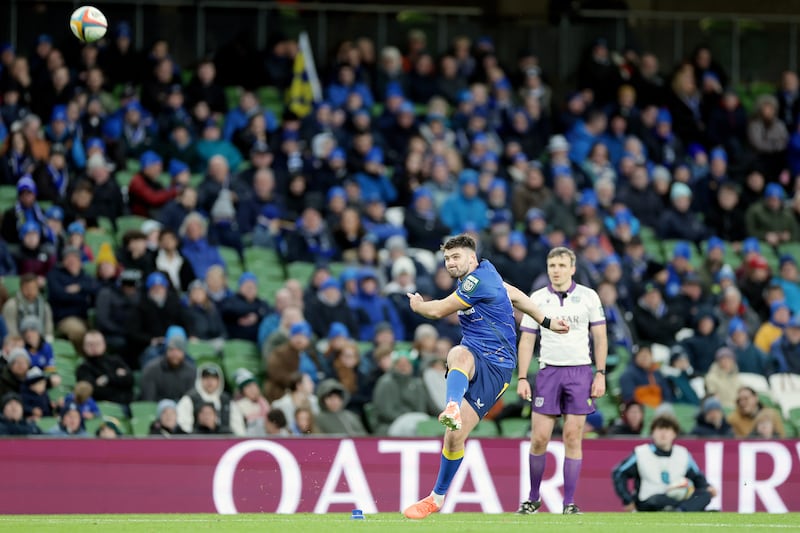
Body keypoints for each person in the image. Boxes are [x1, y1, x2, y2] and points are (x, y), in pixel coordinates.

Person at [402, 234, 568, 519]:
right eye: (447, 259)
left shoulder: (475, 282)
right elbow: (515, 295)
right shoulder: (487, 272)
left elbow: (438, 310)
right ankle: (437, 493)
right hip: (474, 353)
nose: (450, 263)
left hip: (498, 366)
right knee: (458, 354)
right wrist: (547, 321)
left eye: (455, 257)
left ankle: (451, 418)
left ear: (471, 258)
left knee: (455, 437)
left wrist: (419, 306)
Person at [515, 246, 608, 515]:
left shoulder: (589, 296)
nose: (556, 270)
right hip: (548, 372)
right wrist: (522, 377)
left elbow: (600, 337)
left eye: (561, 265)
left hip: (580, 372)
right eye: (552, 265)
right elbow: (527, 339)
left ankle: (568, 503)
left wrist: (600, 373)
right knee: (539, 438)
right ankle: (533, 498)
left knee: (572, 437)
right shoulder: (537, 298)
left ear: (572, 268)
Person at [612, 414, 716, 512]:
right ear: (652, 433)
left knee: (705, 495)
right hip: (650, 500)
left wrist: (707, 487)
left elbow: (697, 477)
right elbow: (619, 473)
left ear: (674, 433)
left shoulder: (683, 454)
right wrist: (627, 500)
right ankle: (684, 510)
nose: (663, 434)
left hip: (677, 498)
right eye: (659, 429)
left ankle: (679, 511)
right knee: (656, 500)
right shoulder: (641, 453)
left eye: (667, 429)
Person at [176, 364, 246, 436]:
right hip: (196, 439)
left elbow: (238, 428)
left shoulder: (227, 400)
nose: (210, 381)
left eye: (213, 378)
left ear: (219, 380)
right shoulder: (189, 399)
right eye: (206, 378)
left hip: (224, 440)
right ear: (199, 380)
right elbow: (184, 426)